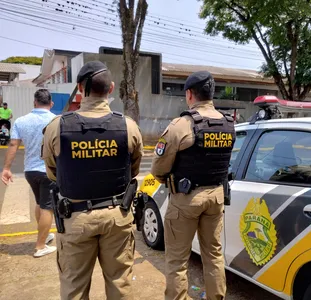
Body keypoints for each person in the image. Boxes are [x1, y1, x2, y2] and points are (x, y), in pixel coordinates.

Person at [41, 60, 144, 300]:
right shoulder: (128, 126)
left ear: (79, 88)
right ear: (110, 88)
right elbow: (134, 169)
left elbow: (52, 172)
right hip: (117, 217)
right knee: (120, 285)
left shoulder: (57, 126)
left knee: (74, 288)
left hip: (75, 218)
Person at [151, 71, 236, 300]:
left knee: (177, 261)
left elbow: (158, 169)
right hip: (216, 197)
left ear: (189, 94)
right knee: (214, 256)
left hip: (186, 199)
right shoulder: (229, 124)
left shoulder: (181, 125)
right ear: (211, 93)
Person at [1, 89, 57, 257]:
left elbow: (13, 145)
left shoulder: (21, 121)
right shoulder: (56, 120)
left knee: (40, 203)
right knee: (48, 207)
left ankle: (44, 235)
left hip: (30, 170)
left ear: (34, 103)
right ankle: (40, 246)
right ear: (51, 103)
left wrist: (6, 168)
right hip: (49, 170)